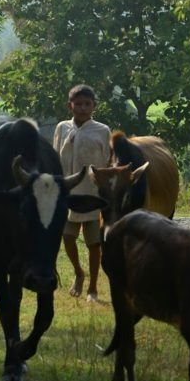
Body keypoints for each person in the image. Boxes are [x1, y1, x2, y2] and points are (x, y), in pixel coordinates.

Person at [52, 84, 111, 301]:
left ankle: (93, 287)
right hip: (68, 194)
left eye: (87, 104)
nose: (83, 108)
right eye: (78, 104)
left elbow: (106, 162)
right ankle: (78, 272)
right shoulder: (61, 128)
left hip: (93, 194)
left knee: (94, 242)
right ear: (70, 106)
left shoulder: (102, 130)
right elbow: (55, 156)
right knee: (67, 236)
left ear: (94, 106)